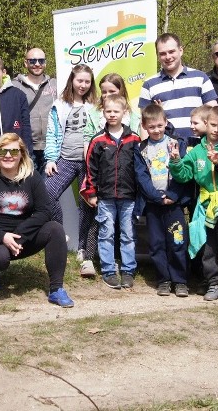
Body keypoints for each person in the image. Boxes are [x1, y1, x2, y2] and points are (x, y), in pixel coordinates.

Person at [0, 133, 73, 307]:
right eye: (3, 151)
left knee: (55, 229)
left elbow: (45, 211)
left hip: (22, 237)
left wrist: (19, 235)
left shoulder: (32, 177)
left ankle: (56, 289)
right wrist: (2, 237)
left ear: (22, 154)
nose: (8, 156)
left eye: (14, 152)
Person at [170, 106, 218, 301]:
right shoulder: (196, 151)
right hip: (204, 204)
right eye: (212, 125)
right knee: (208, 247)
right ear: (206, 124)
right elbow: (184, 175)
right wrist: (176, 162)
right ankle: (214, 283)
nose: (216, 130)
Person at [83, 94, 142, 290]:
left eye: (116, 111)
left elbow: (140, 169)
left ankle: (128, 270)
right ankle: (108, 270)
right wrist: (91, 193)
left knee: (128, 235)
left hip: (129, 196)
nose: (112, 115)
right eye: (108, 111)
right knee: (106, 233)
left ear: (124, 113)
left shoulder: (134, 139)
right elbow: (91, 168)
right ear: (103, 112)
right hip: (105, 197)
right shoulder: (98, 140)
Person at [43, 65, 97, 277]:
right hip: (65, 159)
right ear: (72, 81)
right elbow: (52, 133)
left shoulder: (95, 105)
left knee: (88, 205)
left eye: (87, 81)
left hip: (88, 163)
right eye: (79, 81)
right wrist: (50, 159)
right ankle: (60, 236)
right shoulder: (60, 105)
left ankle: (83, 247)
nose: (83, 85)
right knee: (48, 192)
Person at [136, 103, 193, 297]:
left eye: (160, 126)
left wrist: (172, 196)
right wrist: (156, 197)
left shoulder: (176, 143)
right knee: (157, 244)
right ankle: (164, 280)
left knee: (177, 241)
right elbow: (141, 176)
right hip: (154, 206)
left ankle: (180, 280)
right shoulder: (141, 149)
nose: (156, 130)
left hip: (174, 205)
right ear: (144, 126)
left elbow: (184, 173)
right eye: (151, 127)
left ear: (165, 123)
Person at [139, 33, 217, 140]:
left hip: (198, 147)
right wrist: (146, 150)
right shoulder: (149, 84)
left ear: (181, 50)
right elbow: (144, 123)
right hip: (164, 150)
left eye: (171, 52)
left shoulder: (201, 78)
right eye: (162, 54)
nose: (168, 57)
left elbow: (214, 113)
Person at [13, 48, 58, 171]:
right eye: (32, 61)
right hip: (26, 147)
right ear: (25, 63)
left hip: (51, 147)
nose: (37, 64)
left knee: (49, 189)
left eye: (41, 60)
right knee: (29, 187)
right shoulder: (14, 86)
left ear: (45, 63)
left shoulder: (56, 85)